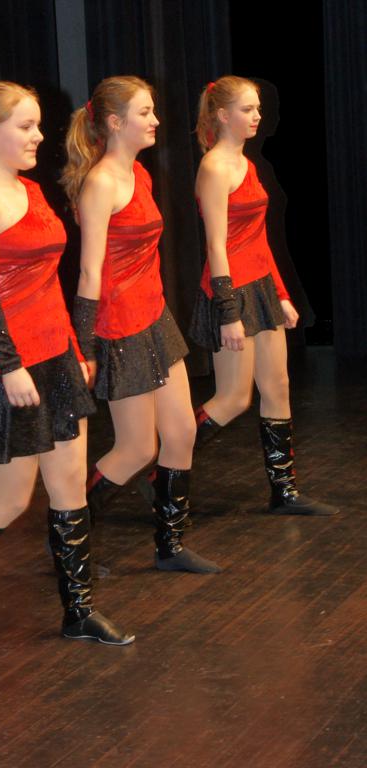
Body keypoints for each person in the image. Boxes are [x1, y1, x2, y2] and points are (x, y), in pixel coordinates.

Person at [0, 81, 134, 647]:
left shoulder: (33, 190)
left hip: (54, 355)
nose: (39, 135)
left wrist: (74, 348)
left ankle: (79, 611)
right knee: (9, 499)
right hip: (4, 367)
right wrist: (11, 365)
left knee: (69, 486)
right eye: (26, 126)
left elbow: (47, 284)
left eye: (38, 124)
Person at [61, 75, 221, 574]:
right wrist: (85, 346)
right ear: (114, 122)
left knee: (181, 432)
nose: (156, 120)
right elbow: (89, 273)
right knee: (135, 449)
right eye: (145, 112)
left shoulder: (139, 174)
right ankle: (66, 537)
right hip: (119, 326)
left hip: (154, 318)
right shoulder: (101, 183)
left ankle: (170, 546)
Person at [189, 75, 337, 516]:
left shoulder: (246, 163)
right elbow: (216, 246)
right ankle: (163, 466)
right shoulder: (215, 167)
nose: (258, 116)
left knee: (278, 386)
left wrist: (282, 294)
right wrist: (228, 311)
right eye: (248, 109)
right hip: (230, 290)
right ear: (222, 115)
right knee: (234, 399)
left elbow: (257, 240)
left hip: (260, 286)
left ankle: (284, 490)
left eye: (258, 108)